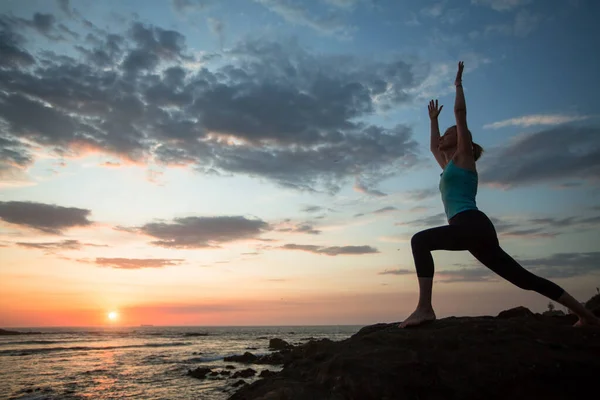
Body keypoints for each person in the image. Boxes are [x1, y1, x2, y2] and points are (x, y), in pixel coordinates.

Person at [399, 61, 600, 328]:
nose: (442, 137)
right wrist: (433, 123)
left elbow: (460, 113)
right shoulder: (448, 167)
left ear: (463, 141)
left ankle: (424, 309)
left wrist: (458, 85)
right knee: (524, 280)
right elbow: (433, 149)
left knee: (419, 241)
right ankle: (588, 317)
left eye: (449, 134)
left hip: (471, 224)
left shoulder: (464, 158)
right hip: (471, 230)